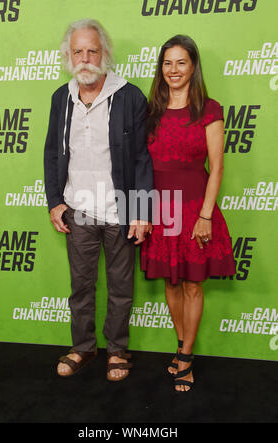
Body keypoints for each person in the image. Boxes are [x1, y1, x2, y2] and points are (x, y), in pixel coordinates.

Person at [44, 19, 153, 381]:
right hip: (79, 210)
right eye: (78, 51)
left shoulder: (129, 95)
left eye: (93, 50)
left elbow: (141, 157)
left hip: (118, 211)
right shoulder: (62, 97)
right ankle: (83, 347)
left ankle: (118, 351)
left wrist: (139, 211)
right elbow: (52, 153)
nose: (85, 58)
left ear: (104, 53)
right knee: (81, 286)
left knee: (121, 288)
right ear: (69, 55)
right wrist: (55, 201)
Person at [141, 35, 236, 392]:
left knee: (194, 284)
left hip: (196, 208)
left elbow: (218, 167)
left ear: (193, 66)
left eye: (181, 62)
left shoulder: (209, 109)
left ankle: (186, 356)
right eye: (167, 63)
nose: (173, 70)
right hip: (160, 211)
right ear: (161, 68)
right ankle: (182, 347)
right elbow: (140, 166)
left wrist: (206, 216)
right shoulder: (149, 110)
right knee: (171, 282)